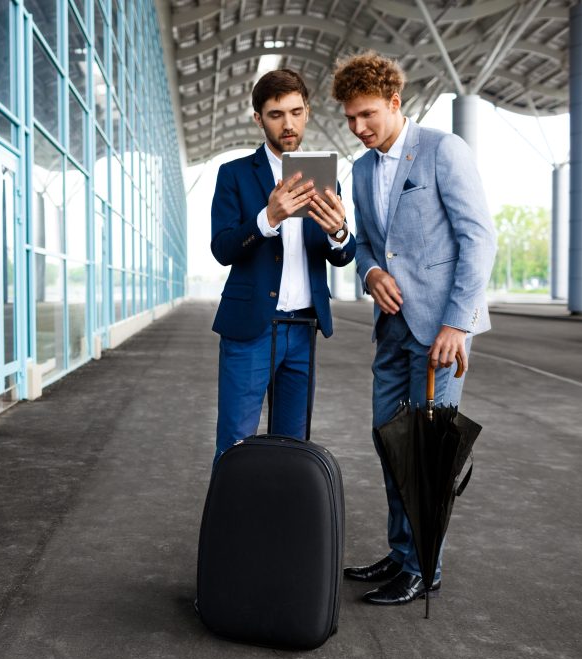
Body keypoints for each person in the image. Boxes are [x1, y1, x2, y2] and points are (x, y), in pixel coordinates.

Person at [330, 51, 497, 605]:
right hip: (392, 330)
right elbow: (373, 244)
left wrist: (458, 324)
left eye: (368, 115)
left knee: (427, 455)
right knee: (389, 444)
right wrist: (371, 269)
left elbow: (478, 240)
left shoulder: (443, 151)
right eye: (351, 119)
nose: (358, 128)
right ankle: (401, 553)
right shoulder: (358, 171)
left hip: (439, 335)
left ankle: (425, 566)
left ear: (396, 104)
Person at [210, 68, 356, 461]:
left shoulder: (326, 178)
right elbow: (222, 248)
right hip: (251, 327)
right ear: (259, 119)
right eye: (276, 114)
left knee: (293, 447)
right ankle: (233, 523)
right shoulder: (234, 175)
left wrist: (338, 231)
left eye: (295, 111)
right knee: (235, 443)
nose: (288, 123)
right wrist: (267, 219)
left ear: (307, 112)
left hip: (303, 328)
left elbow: (344, 254)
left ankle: (282, 523)